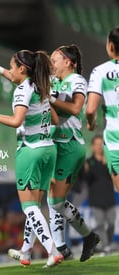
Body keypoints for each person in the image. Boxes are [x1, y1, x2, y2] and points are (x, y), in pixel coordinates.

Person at [0, 50, 63, 268]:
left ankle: (52, 250)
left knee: (28, 208)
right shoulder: (41, 85)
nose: (11, 70)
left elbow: (17, 121)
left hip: (29, 150)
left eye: (12, 67)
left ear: (22, 69)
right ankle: (25, 250)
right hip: (48, 150)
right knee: (34, 205)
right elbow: (55, 119)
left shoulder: (22, 91)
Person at [45, 44, 100, 262]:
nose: (52, 64)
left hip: (70, 145)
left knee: (56, 201)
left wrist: (48, 99)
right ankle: (61, 247)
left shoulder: (77, 80)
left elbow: (76, 109)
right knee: (52, 199)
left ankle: (87, 237)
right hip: (56, 144)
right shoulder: (55, 82)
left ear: (68, 62)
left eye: (54, 60)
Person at [86, 26, 119, 196]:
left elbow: (91, 109)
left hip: (115, 137)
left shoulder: (100, 71)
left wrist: (92, 124)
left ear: (110, 46)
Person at [79, 134, 117, 254]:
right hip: (96, 200)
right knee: (100, 224)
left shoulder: (110, 160)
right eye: (97, 144)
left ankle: (108, 244)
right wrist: (84, 169)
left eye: (101, 144)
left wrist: (108, 164)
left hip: (109, 198)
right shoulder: (89, 162)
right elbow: (85, 178)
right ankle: (105, 247)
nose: (99, 147)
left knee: (111, 224)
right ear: (92, 146)